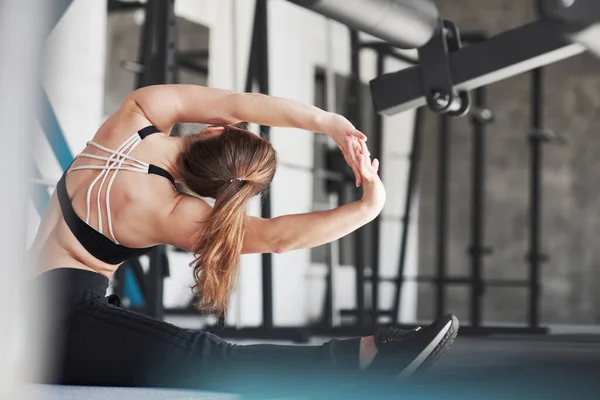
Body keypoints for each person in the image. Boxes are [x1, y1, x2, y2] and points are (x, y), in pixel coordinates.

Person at [30, 84, 458, 396]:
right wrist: (369, 204)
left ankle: (367, 357)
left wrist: (329, 123)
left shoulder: (138, 111)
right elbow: (276, 238)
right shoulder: (171, 210)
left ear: (217, 130)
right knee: (211, 356)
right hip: (53, 326)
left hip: (30, 310)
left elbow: (240, 103)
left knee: (201, 355)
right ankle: (367, 359)